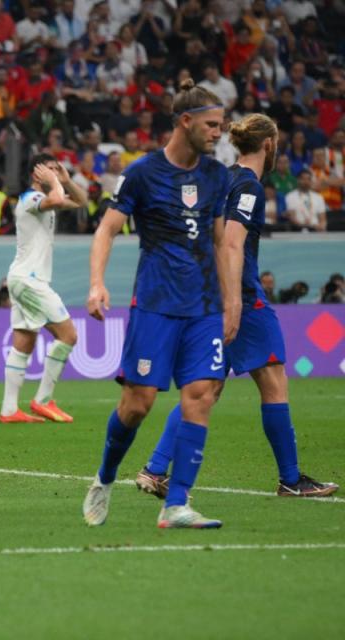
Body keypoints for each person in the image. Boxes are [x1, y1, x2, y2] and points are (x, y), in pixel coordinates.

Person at [137, 114, 338, 500]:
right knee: (273, 379)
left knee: (207, 387)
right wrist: (234, 301)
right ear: (268, 144)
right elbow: (230, 243)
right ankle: (291, 478)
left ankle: (155, 469)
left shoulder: (219, 178)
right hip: (241, 299)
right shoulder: (247, 186)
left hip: (207, 294)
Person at [83, 79, 231, 529]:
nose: (218, 133)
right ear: (184, 122)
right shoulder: (143, 172)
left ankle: (177, 504)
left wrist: (232, 303)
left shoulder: (217, 175)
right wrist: (96, 283)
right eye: (211, 125)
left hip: (204, 306)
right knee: (138, 403)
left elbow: (222, 242)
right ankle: (105, 477)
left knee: (201, 396)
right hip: (155, 304)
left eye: (221, 126)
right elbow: (107, 229)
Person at [0, 154, 87, 425]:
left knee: (24, 341)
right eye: (49, 170)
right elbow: (58, 199)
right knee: (68, 335)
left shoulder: (45, 201)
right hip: (30, 279)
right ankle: (44, 399)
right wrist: (54, 183)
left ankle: (9, 410)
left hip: (23, 277)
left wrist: (66, 180)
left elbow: (82, 201)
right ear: (37, 175)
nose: (55, 174)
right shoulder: (30, 199)